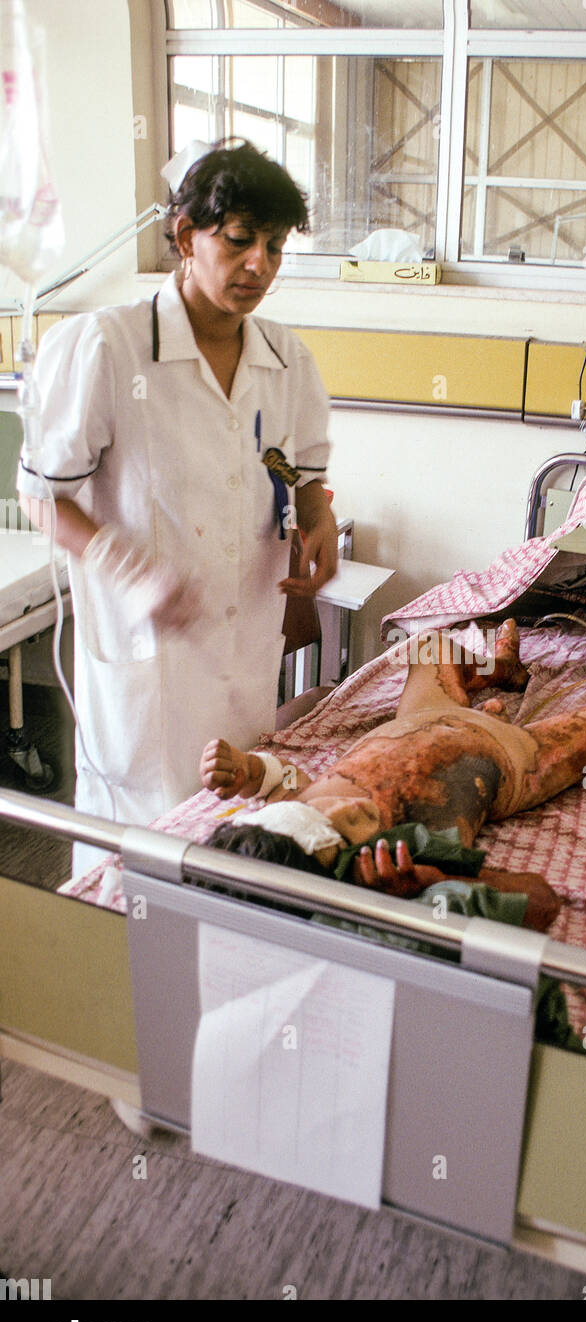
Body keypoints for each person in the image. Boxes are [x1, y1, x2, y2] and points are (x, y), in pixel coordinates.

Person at [17, 139, 338, 874]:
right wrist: (130, 572)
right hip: (148, 658)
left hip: (243, 647)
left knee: (238, 839)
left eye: (275, 246)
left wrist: (317, 519)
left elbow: (295, 465)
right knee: (138, 854)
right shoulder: (108, 349)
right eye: (238, 240)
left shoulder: (287, 360)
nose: (259, 263)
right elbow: (40, 495)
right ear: (186, 233)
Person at [199, 620, 586, 927]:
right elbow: (538, 902)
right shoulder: (400, 868)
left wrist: (246, 768)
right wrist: (434, 881)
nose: (341, 806)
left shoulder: (283, 827)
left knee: (433, 645)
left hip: (420, 717)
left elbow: (280, 778)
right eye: (345, 828)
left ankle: (500, 672)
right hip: (508, 756)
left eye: (320, 809)